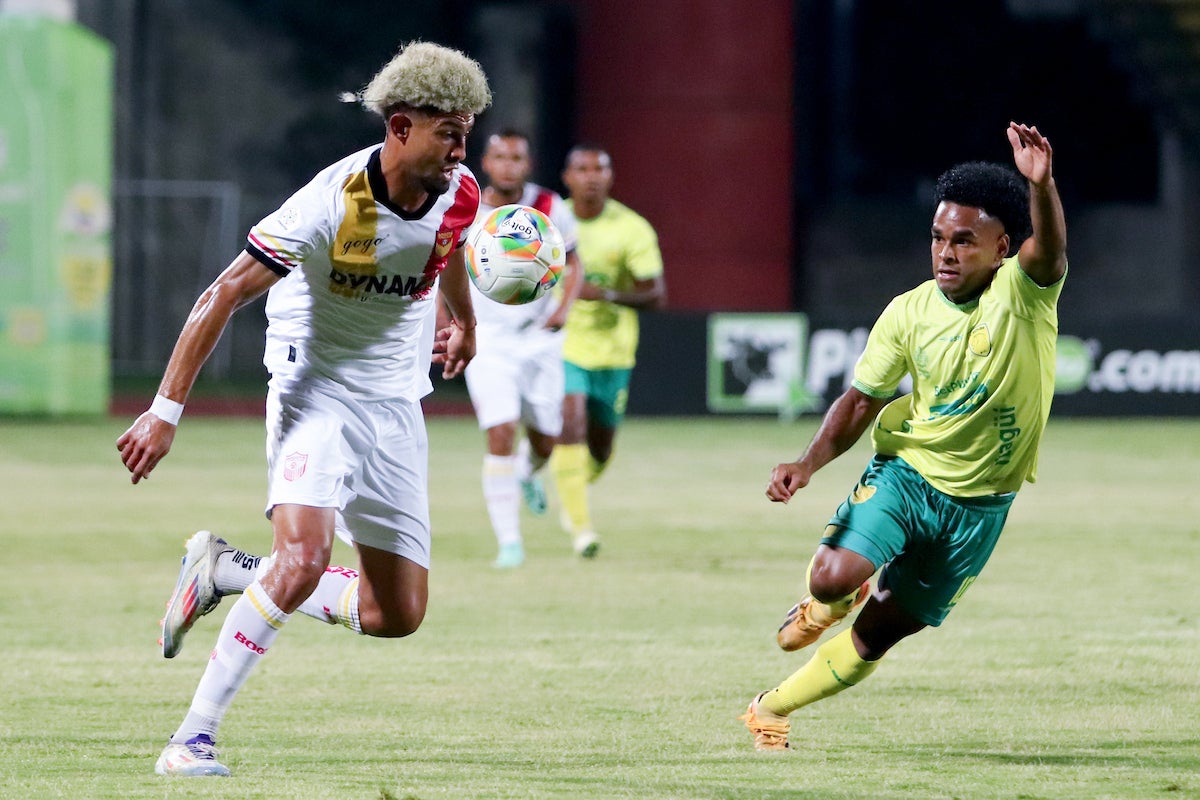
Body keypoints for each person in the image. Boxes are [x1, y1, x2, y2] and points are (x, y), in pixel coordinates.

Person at [115, 41, 491, 776]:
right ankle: (191, 739)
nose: (459, 150)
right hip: (312, 389)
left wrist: (466, 323)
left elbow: (445, 253)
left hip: (393, 404)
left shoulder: (462, 193)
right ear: (402, 125)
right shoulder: (328, 204)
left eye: (466, 135)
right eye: (449, 133)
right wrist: (164, 411)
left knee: (397, 615)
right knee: (306, 555)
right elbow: (221, 293)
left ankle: (228, 572)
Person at [740, 122, 1067, 750]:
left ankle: (770, 708)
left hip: (981, 507)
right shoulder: (908, 311)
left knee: (880, 634)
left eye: (965, 241)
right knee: (833, 577)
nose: (946, 252)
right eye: (938, 238)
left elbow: (1049, 251)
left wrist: (1042, 186)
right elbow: (862, 399)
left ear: (1002, 249)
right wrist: (807, 465)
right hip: (909, 474)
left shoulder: (1025, 296)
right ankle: (827, 601)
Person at [454, 129, 583, 569]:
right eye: (500, 157)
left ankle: (529, 473)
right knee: (501, 431)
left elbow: (575, 261)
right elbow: (447, 264)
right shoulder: (467, 207)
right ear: (486, 162)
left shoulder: (549, 207)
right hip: (488, 340)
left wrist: (563, 308)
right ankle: (510, 543)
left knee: (547, 437)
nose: (508, 165)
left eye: (517, 158)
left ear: (527, 164)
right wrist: (448, 321)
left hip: (540, 340)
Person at [549, 144, 665, 557]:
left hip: (614, 352)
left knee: (601, 448)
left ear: (610, 177)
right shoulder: (550, 222)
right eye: (582, 169)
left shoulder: (631, 228)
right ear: (568, 177)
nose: (591, 176)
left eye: (599, 169)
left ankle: (571, 490)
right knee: (570, 420)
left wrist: (606, 293)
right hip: (563, 344)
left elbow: (656, 295)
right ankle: (582, 531)